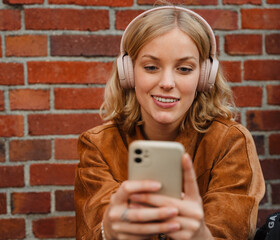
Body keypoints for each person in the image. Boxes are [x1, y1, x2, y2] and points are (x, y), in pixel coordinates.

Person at [74, 5, 265, 240]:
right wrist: (109, 232)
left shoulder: (231, 142)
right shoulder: (98, 145)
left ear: (204, 78)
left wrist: (200, 237)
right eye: (151, 67)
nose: (167, 82)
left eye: (184, 69)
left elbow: (231, 232)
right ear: (128, 72)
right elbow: (91, 231)